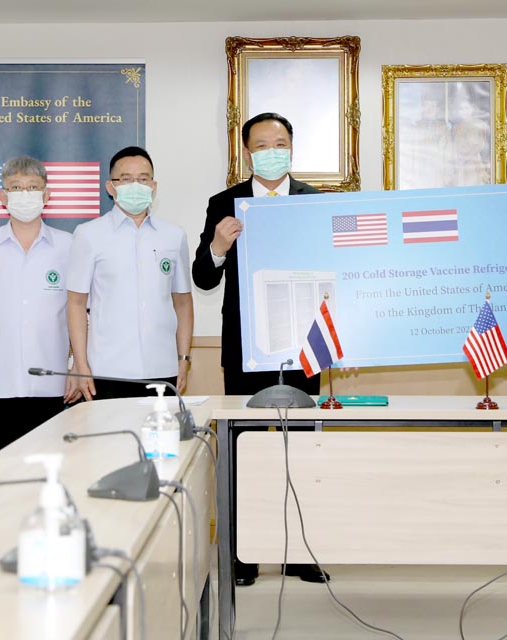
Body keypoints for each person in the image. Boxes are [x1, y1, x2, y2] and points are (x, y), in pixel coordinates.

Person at [192, 112, 327, 586]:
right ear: (247, 152)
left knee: (300, 450)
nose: (273, 151)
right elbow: (202, 277)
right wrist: (217, 246)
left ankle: (299, 553)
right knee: (244, 450)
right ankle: (243, 555)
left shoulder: (315, 202)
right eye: (263, 145)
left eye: (281, 143)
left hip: (304, 347)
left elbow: (336, 266)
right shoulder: (224, 202)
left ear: (292, 148)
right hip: (247, 348)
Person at [0, 156, 75, 454]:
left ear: (46, 195)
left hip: (53, 381)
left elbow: (79, 313)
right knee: (5, 469)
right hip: (0, 381)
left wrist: (76, 367)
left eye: (33, 187)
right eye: (16, 187)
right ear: (3, 196)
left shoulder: (69, 246)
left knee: (51, 467)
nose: (25, 194)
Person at [67, 146, 193, 401]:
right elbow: (76, 303)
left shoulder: (174, 235)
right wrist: (81, 365)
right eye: (126, 179)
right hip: (107, 372)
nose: (136, 185)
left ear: (153, 186)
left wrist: (183, 359)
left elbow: (182, 302)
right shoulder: (88, 234)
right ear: (110, 187)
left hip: (162, 370)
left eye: (143, 179)